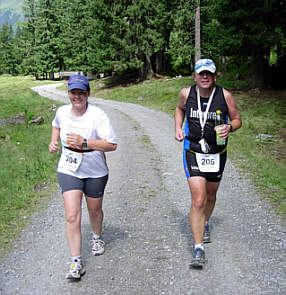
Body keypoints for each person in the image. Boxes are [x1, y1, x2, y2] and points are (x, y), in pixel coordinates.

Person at [174, 59, 242, 268]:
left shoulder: (225, 95)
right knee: (199, 199)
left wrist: (229, 127)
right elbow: (179, 109)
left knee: (211, 195)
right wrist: (178, 127)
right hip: (193, 150)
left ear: (214, 76)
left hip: (217, 153)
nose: (204, 77)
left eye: (208, 74)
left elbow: (238, 119)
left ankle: (204, 222)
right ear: (194, 76)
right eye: (200, 74)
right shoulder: (186, 94)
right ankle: (198, 247)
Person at [49, 74, 117, 280]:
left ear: (88, 93)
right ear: (68, 93)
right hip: (69, 169)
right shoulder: (61, 112)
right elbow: (56, 125)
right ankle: (76, 261)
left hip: (95, 169)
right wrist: (53, 142)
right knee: (71, 215)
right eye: (73, 92)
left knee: (94, 211)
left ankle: (97, 236)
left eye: (81, 92)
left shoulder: (98, 115)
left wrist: (85, 143)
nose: (77, 96)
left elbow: (112, 145)